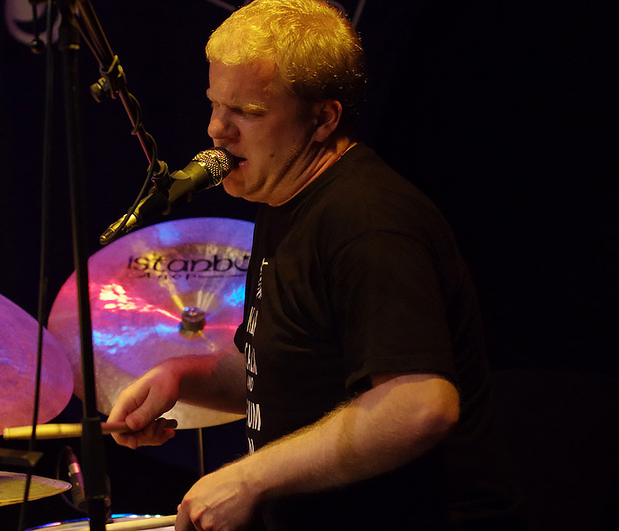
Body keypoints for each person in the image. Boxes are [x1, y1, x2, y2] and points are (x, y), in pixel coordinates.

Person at [107, 1, 523, 529]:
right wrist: (180, 376)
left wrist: (249, 478)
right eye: (215, 104)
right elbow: (289, 373)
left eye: (247, 112)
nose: (217, 130)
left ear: (323, 119)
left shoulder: (369, 223)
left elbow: (420, 404)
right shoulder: (285, 197)